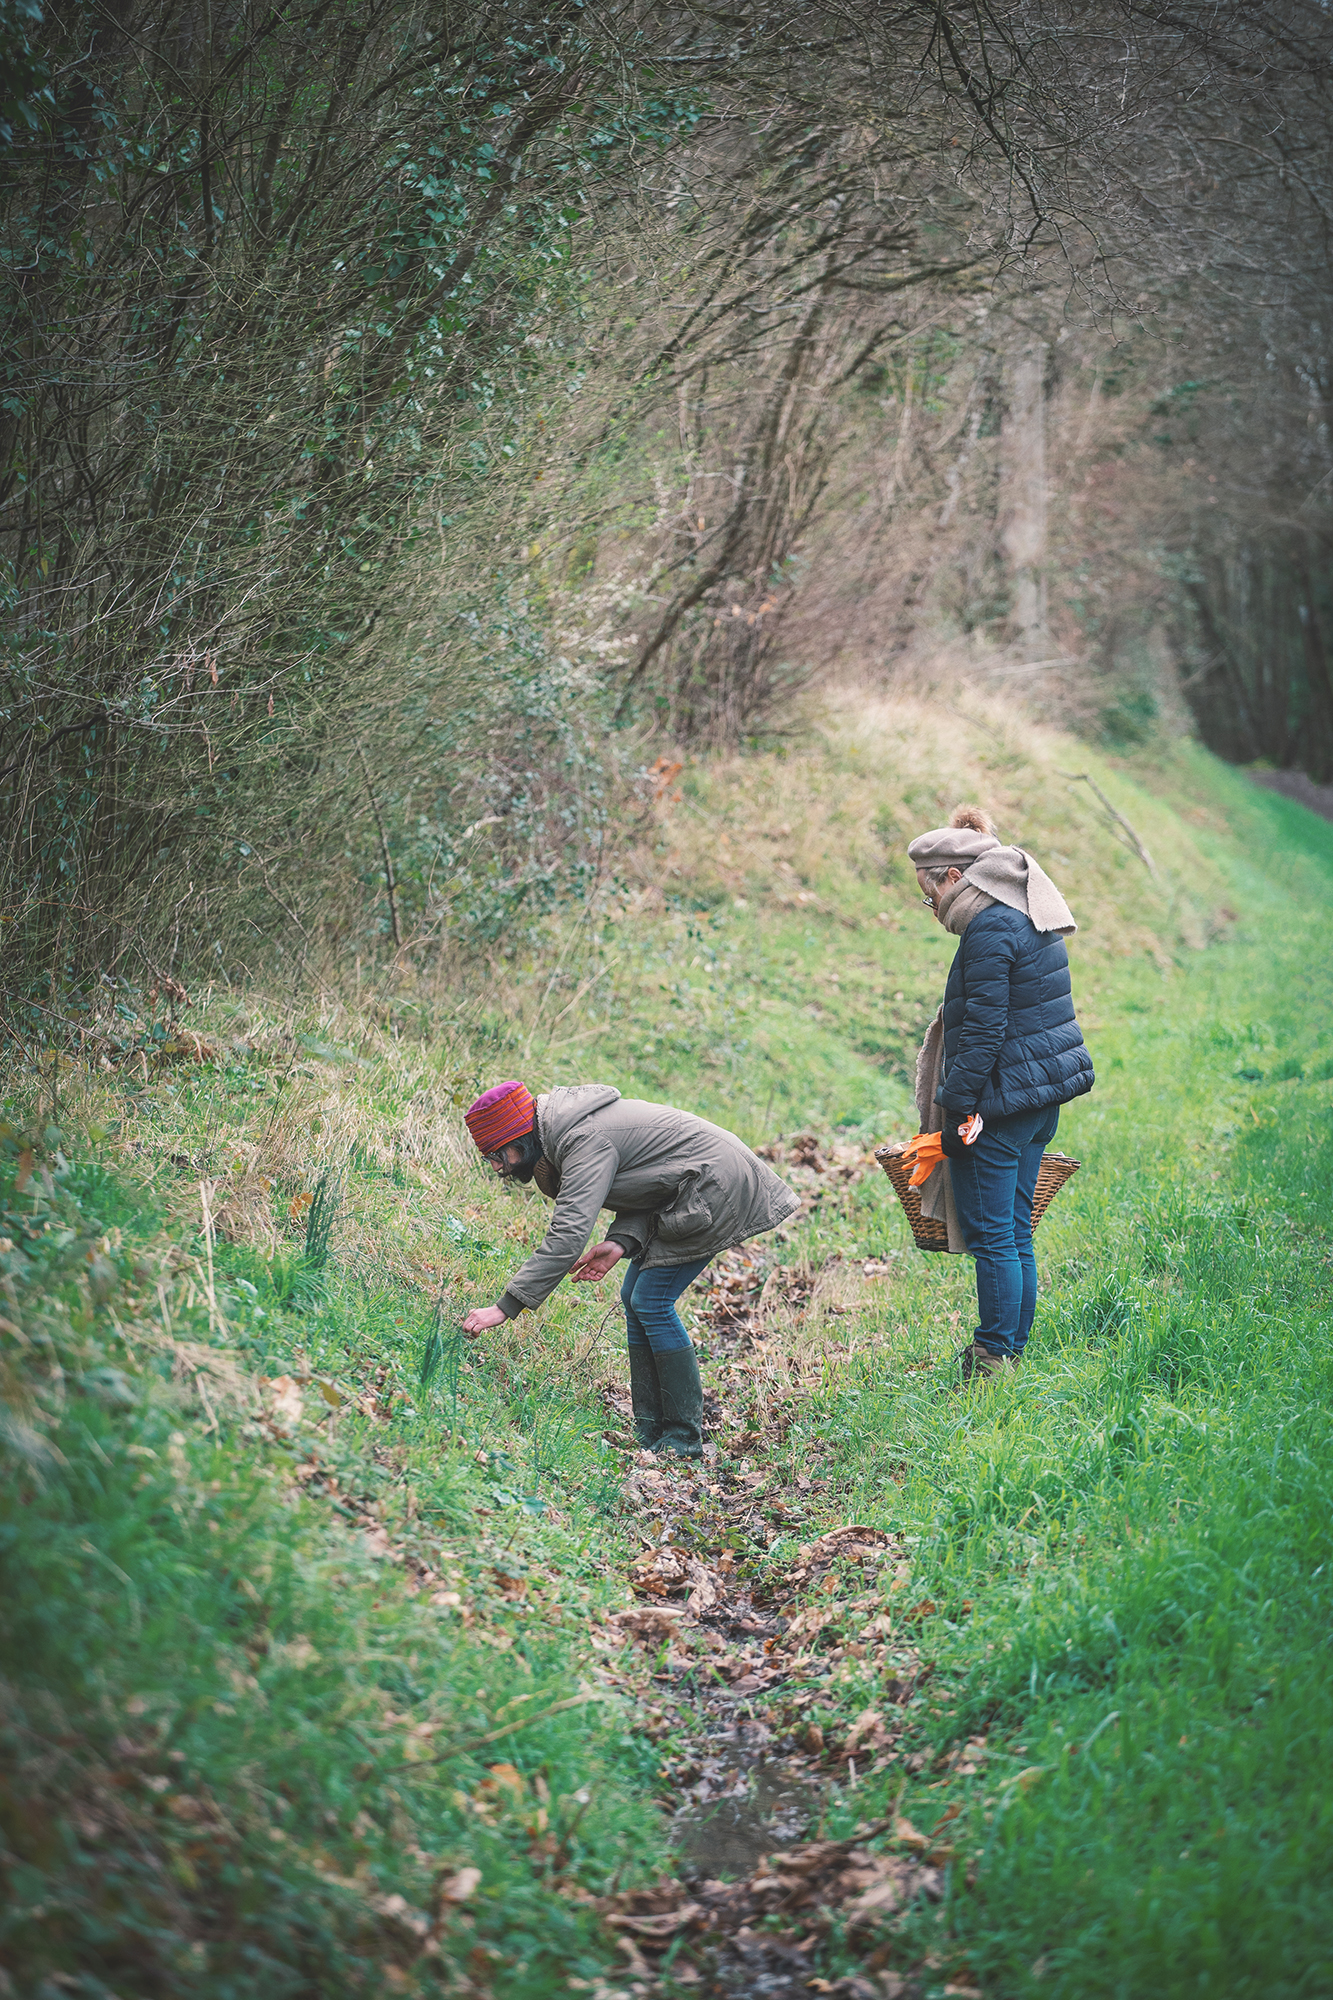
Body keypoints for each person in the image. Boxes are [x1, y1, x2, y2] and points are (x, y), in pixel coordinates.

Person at [458, 1080, 800, 1457]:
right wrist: (622, 1240)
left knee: (652, 1300)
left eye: (495, 1154)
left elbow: (568, 1234)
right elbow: (648, 1176)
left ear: (518, 1138)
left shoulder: (581, 1138)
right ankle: (652, 1429)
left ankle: (683, 1438)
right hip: (692, 1182)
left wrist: (506, 1307)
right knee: (634, 1296)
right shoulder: (565, 1132)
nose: (495, 1167)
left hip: (716, 1184)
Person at [906, 805, 1094, 1379]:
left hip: (1000, 1105)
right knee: (1014, 1231)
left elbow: (984, 1032)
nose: (931, 908)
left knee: (994, 1237)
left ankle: (991, 1357)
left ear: (954, 878)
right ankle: (1010, 1350)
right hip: (1036, 1102)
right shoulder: (1023, 910)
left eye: (928, 894)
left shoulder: (990, 929)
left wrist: (957, 1110)